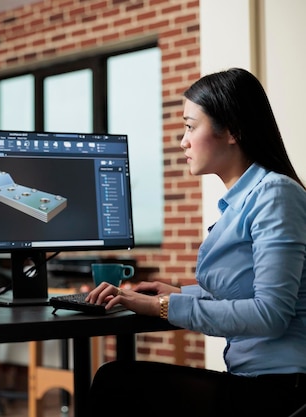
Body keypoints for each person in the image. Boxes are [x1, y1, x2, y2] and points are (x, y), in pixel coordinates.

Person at [85, 68, 306, 416]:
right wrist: (177, 293)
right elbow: (243, 292)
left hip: (280, 391)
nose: (183, 141)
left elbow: (270, 314)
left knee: (115, 383)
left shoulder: (275, 194)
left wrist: (161, 307)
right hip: (257, 382)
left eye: (190, 126)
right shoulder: (244, 200)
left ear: (231, 130)